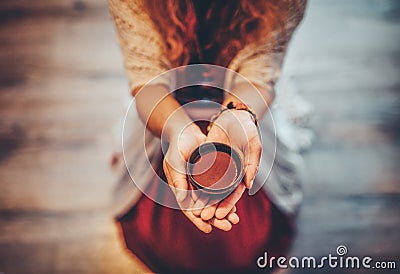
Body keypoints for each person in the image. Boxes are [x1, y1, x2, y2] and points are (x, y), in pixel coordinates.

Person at [108, 0, 307, 272]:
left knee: (249, 240)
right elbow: (148, 82)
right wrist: (177, 129)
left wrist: (238, 115)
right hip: (164, 107)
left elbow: (258, 74)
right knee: (163, 237)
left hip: (244, 97)